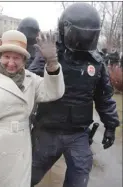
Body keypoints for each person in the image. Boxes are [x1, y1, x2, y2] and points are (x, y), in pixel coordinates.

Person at [0, 30, 65, 187]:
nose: (11, 62)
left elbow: (53, 92)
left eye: (16, 58)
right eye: (7, 57)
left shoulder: (30, 79)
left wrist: (53, 63)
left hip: (20, 143)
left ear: (24, 59)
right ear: (0, 56)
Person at [31, 3, 120, 187]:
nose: (82, 40)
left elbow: (104, 97)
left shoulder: (96, 62)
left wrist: (111, 125)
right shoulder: (50, 52)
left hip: (78, 134)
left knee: (79, 178)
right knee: (27, 176)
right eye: (79, 35)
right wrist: (48, 61)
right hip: (48, 131)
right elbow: (30, 84)